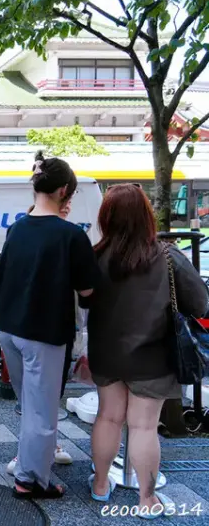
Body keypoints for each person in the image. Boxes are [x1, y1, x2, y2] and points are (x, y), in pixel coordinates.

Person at [83, 184, 207, 518]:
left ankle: (100, 485)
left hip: (106, 352)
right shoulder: (167, 256)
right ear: (145, 215)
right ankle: (146, 499)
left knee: (108, 417)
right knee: (143, 427)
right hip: (152, 357)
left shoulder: (94, 256)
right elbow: (200, 303)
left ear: (106, 217)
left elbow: (83, 299)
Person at [0, 151, 99, 499]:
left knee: (29, 403)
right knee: (42, 409)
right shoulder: (71, 236)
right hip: (44, 331)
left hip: (9, 328)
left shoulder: (17, 228)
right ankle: (30, 479)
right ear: (64, 190)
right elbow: (88, 290)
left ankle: (28, 464)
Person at [6, 199, 75, 474]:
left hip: (52, 325)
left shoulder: (68, 235)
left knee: (46, 394)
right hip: (35, 326)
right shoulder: (23, 231)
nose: (66, 206)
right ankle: (28, 459)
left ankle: (43, 449)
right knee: (33, 395)